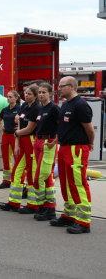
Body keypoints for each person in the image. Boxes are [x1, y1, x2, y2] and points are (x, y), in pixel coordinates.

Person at [50, 76, 94, 234]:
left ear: (71, 87)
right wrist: (56, 141)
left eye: (62, 86)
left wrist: (90, 144)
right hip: (65, 148)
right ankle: (69, 215)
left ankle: (83, 221)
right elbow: (62, 127)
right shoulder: (65, 104)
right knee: (66, 183)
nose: (59, 88)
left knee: (78, 183)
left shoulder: (81, 105)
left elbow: (89, 129)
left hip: (77, 149)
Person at [0, 84, 40, 213]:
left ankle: (32, 204)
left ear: (35, 96)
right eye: (25, 93)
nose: (26, 95)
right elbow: (19, 125)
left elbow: (29, 128)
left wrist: (17, 135)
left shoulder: (36, 108)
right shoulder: (23, 106)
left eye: (29, 94)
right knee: (16, 171)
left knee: (32, 173)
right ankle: (14, 202)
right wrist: (17, 143)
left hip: (31, 141)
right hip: (21, 140)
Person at [32, 83, 59, 221]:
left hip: (48, 143)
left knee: (38, 178)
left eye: (44, 92)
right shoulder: (41, 109)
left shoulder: (54, 108)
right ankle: (50, 209)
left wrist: (55, 142)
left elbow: (62, 126)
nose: (41, 94)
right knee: (47, 178)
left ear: (50, 94)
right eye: (40, 92)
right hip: (38, 142)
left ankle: (42, 206)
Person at [0, 90, 21, 189]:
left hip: (15, 136)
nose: (8, 98)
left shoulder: (19, 109)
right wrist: (1, 127)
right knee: (6, 158)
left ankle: (16, 180)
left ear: (16, 98)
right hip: (6, 135)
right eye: (7, 96)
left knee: (17, 158)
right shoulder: (5, 109)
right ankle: (6, 181)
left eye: (11, 97)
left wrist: (19, 128)